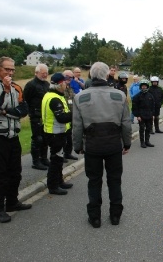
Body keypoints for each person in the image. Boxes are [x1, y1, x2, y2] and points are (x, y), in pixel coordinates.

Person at [72, 62, 132, 228]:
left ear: (90, 75)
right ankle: (115, 215)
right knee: (114, 180)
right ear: (107, 75)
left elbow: (77, 125)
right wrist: (127, 143)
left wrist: (78, 146)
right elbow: (126, 123)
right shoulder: (119, 96)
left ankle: (95, 216)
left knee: (94, 181)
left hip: (92, 145)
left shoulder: (80, 97)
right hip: (113, 145)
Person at [0, 57, 31, 223]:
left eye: (12, 70)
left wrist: (6, 111)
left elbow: (23, 110)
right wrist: (5, 92)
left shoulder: (17, 87)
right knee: (0, 174)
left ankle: (12, 201)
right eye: (7, 69)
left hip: (13, 135)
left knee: (15, 172)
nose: (10, 72)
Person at [42, 73, 73, 195]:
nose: (66, 84)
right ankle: (53, 185)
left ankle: (59, 181)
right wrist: (74, 114)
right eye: (64, 82)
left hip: (56, 132)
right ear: (60, 84)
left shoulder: (51, 95)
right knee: (56, 160)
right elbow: (61, 117)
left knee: (59, 159)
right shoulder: (54, 98)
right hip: (55, 133)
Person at [23, 63, 50, 170]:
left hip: (46, 116)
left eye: (46, 73)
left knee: (45, 138)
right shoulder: (31, 85)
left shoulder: (47, 84)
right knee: (37, 139)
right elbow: (25, 100)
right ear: (37, 72)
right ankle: (36, 161)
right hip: (36, 116)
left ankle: (44, 159)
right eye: (43, 73)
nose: (45, 75)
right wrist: (31, 113)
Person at [132, 79, 155, 148]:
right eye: (143, 86)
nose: (144, 87)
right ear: (140, 87)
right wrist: (137, 115)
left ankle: (147, 141)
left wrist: (153, 114)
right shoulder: (137, 96)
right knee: (142, 129)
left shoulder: (150, 96)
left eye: (145, 86)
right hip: (141, 116)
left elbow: (153, 105)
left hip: (149, 115)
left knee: (148, 128)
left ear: (147, 87)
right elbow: (134, 107)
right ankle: (142, 142)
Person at [62, 69, 78, 161]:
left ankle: (68, 153)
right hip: (63, 116)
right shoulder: (60, 88)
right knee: (63, 137)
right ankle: (62, 154)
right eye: (67, 76)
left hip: (71, 115)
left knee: (69, 136)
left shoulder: (69, 88)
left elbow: (74, 97)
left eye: (71, 77)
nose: (69, 78)